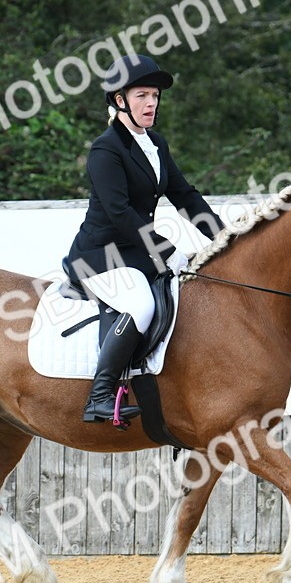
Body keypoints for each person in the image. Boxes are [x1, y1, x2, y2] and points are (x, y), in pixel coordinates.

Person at [65, 54, 224, 423]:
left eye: (154, 95)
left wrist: (224, 238)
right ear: (120, 100)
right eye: (142, 96)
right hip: (98, 257)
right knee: (141, 306)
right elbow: (120, 213)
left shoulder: (155, 144)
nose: (151, 103)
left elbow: (185, 195)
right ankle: (99, 396)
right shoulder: (106, 149)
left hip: (136, 253)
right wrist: (166, 251)